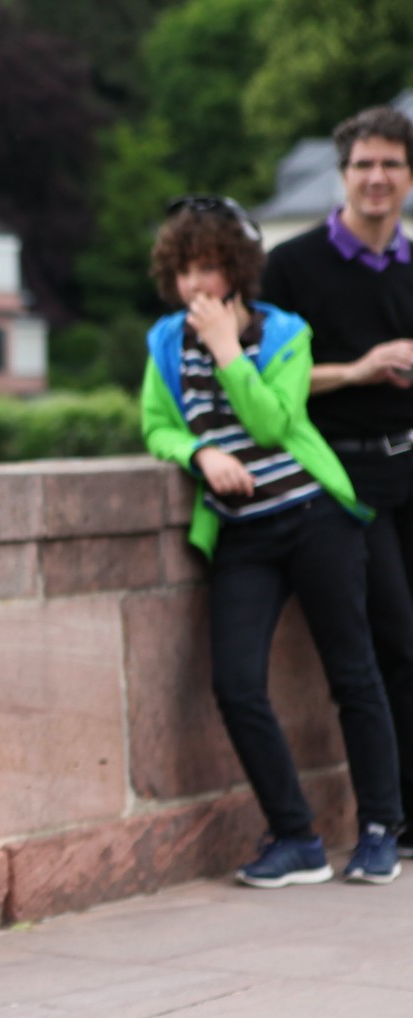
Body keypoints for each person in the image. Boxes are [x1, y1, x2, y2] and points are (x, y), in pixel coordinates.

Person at [141, 195, 403, 886]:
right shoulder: (165, 343)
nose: (196, 286)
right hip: (241, 534)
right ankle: (296, 836)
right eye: (184, 271)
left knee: (354, 672)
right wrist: (198, 454)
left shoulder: (287, 334)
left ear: (237, 271)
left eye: (210, 268)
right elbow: (154, 424)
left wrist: (229, 352)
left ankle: (380, 827)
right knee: (235, 682)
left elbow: (271, 422)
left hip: (316, 517)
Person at [260, 105, 413, 854]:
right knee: (394, 639)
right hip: (342, 472)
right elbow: (262, 385)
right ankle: (394, 815)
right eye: (363, 166)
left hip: (410, 459)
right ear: (342, 174)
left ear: (409, 177)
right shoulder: (291, 266)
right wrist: (358, 368)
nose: (376, 178)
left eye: (390, 164)